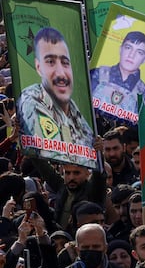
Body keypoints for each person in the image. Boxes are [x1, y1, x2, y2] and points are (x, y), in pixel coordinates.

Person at [17, 27, 94, 167]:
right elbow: (51, 152)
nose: (61, 74)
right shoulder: (31, 100)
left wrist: (97, 150)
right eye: (51, 62)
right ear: (39, 67)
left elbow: (89, 147)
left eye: (65, 63)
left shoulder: (74, 109)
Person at [90, 31, 145, 118]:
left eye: (139, 52)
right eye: (128, 47)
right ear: (120, 49)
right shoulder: (94, 76)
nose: (131, 55)